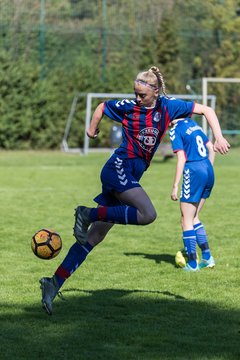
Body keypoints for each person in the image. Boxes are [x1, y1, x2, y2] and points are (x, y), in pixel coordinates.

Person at [39, 66, 230, 314]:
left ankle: (53, 283)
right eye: (135, 93)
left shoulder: (169, 107)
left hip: (128, 175)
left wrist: (218, 136)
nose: (137, 98)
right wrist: (91, 129)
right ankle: (87, 213)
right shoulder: (129, 106)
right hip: (118, 169)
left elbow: (207, 110)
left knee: (94, 237)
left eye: (142, 95)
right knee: (147, 214)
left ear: (156, 91)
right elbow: (102, 107)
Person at [169, 117, 216, 271]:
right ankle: (207, 258)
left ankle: (192, 263)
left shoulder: (176, 129)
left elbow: (181, 158)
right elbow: (211, 148)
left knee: (186, 220)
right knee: (194, 217)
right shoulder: (193, 123)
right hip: (208, 168)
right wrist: (207, 169)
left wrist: (175, 185)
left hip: (194, 170)